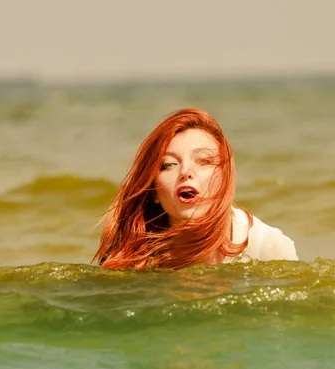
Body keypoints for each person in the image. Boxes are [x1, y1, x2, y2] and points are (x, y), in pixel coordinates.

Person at [93, 108, 298, 270]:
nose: (186, 172)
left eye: (204, 161)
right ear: (154, 191)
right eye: (168, 165)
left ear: (224, 177)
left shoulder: (268, 248)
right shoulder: (133, 254)